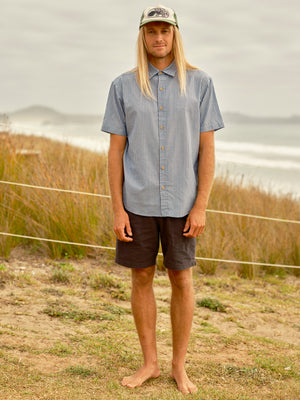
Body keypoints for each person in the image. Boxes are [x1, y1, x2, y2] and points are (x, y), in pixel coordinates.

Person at [101, 5, 224, 394]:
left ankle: (178, 366)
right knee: (141, 277)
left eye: (165, 31)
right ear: (143, 36)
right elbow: (115, 153)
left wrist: (201, 204)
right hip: (136, 203)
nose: (159, 38)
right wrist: (117, 208)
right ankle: (149, 364)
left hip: (183, 203)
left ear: (175, 35)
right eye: (152, 31)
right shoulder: (122, 86)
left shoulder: (200, 83)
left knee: (182, 279)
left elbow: (207, 151)